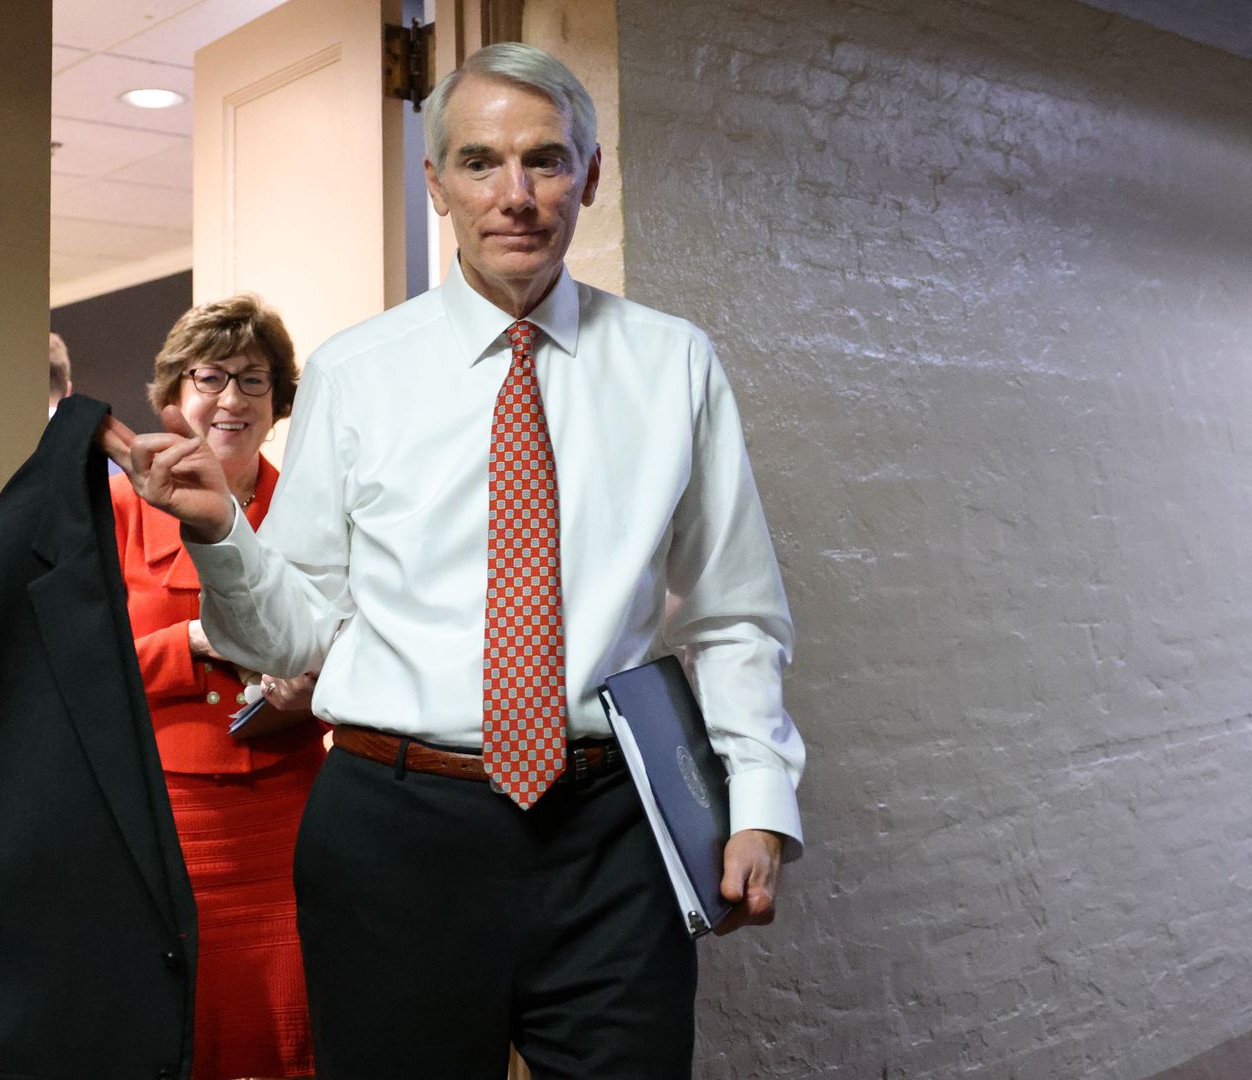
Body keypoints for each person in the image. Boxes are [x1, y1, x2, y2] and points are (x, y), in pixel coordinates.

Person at [100, 42, 805, 1080]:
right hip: (395, 835)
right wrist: (220, 538)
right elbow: (290, 635)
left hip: (611, 837)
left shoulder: (674, 366)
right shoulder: (355, 372)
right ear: (436, 184)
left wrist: (757, 800)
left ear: (592, 177)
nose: (514, 195)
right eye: (480, 163)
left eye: (546, 162)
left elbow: (734, 613)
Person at [110, 295, 323, 1080]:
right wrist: (196, 642)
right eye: (212, 377)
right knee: (171, 1037)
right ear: (175, 397)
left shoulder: (311, 510)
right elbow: (80, 668)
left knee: (291, 1040)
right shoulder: (117, 511)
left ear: (279, 406)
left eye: (255, 381)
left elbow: (352, 630)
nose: (232, 398)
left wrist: (316, 683)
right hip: (162, 818)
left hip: (288, 822)